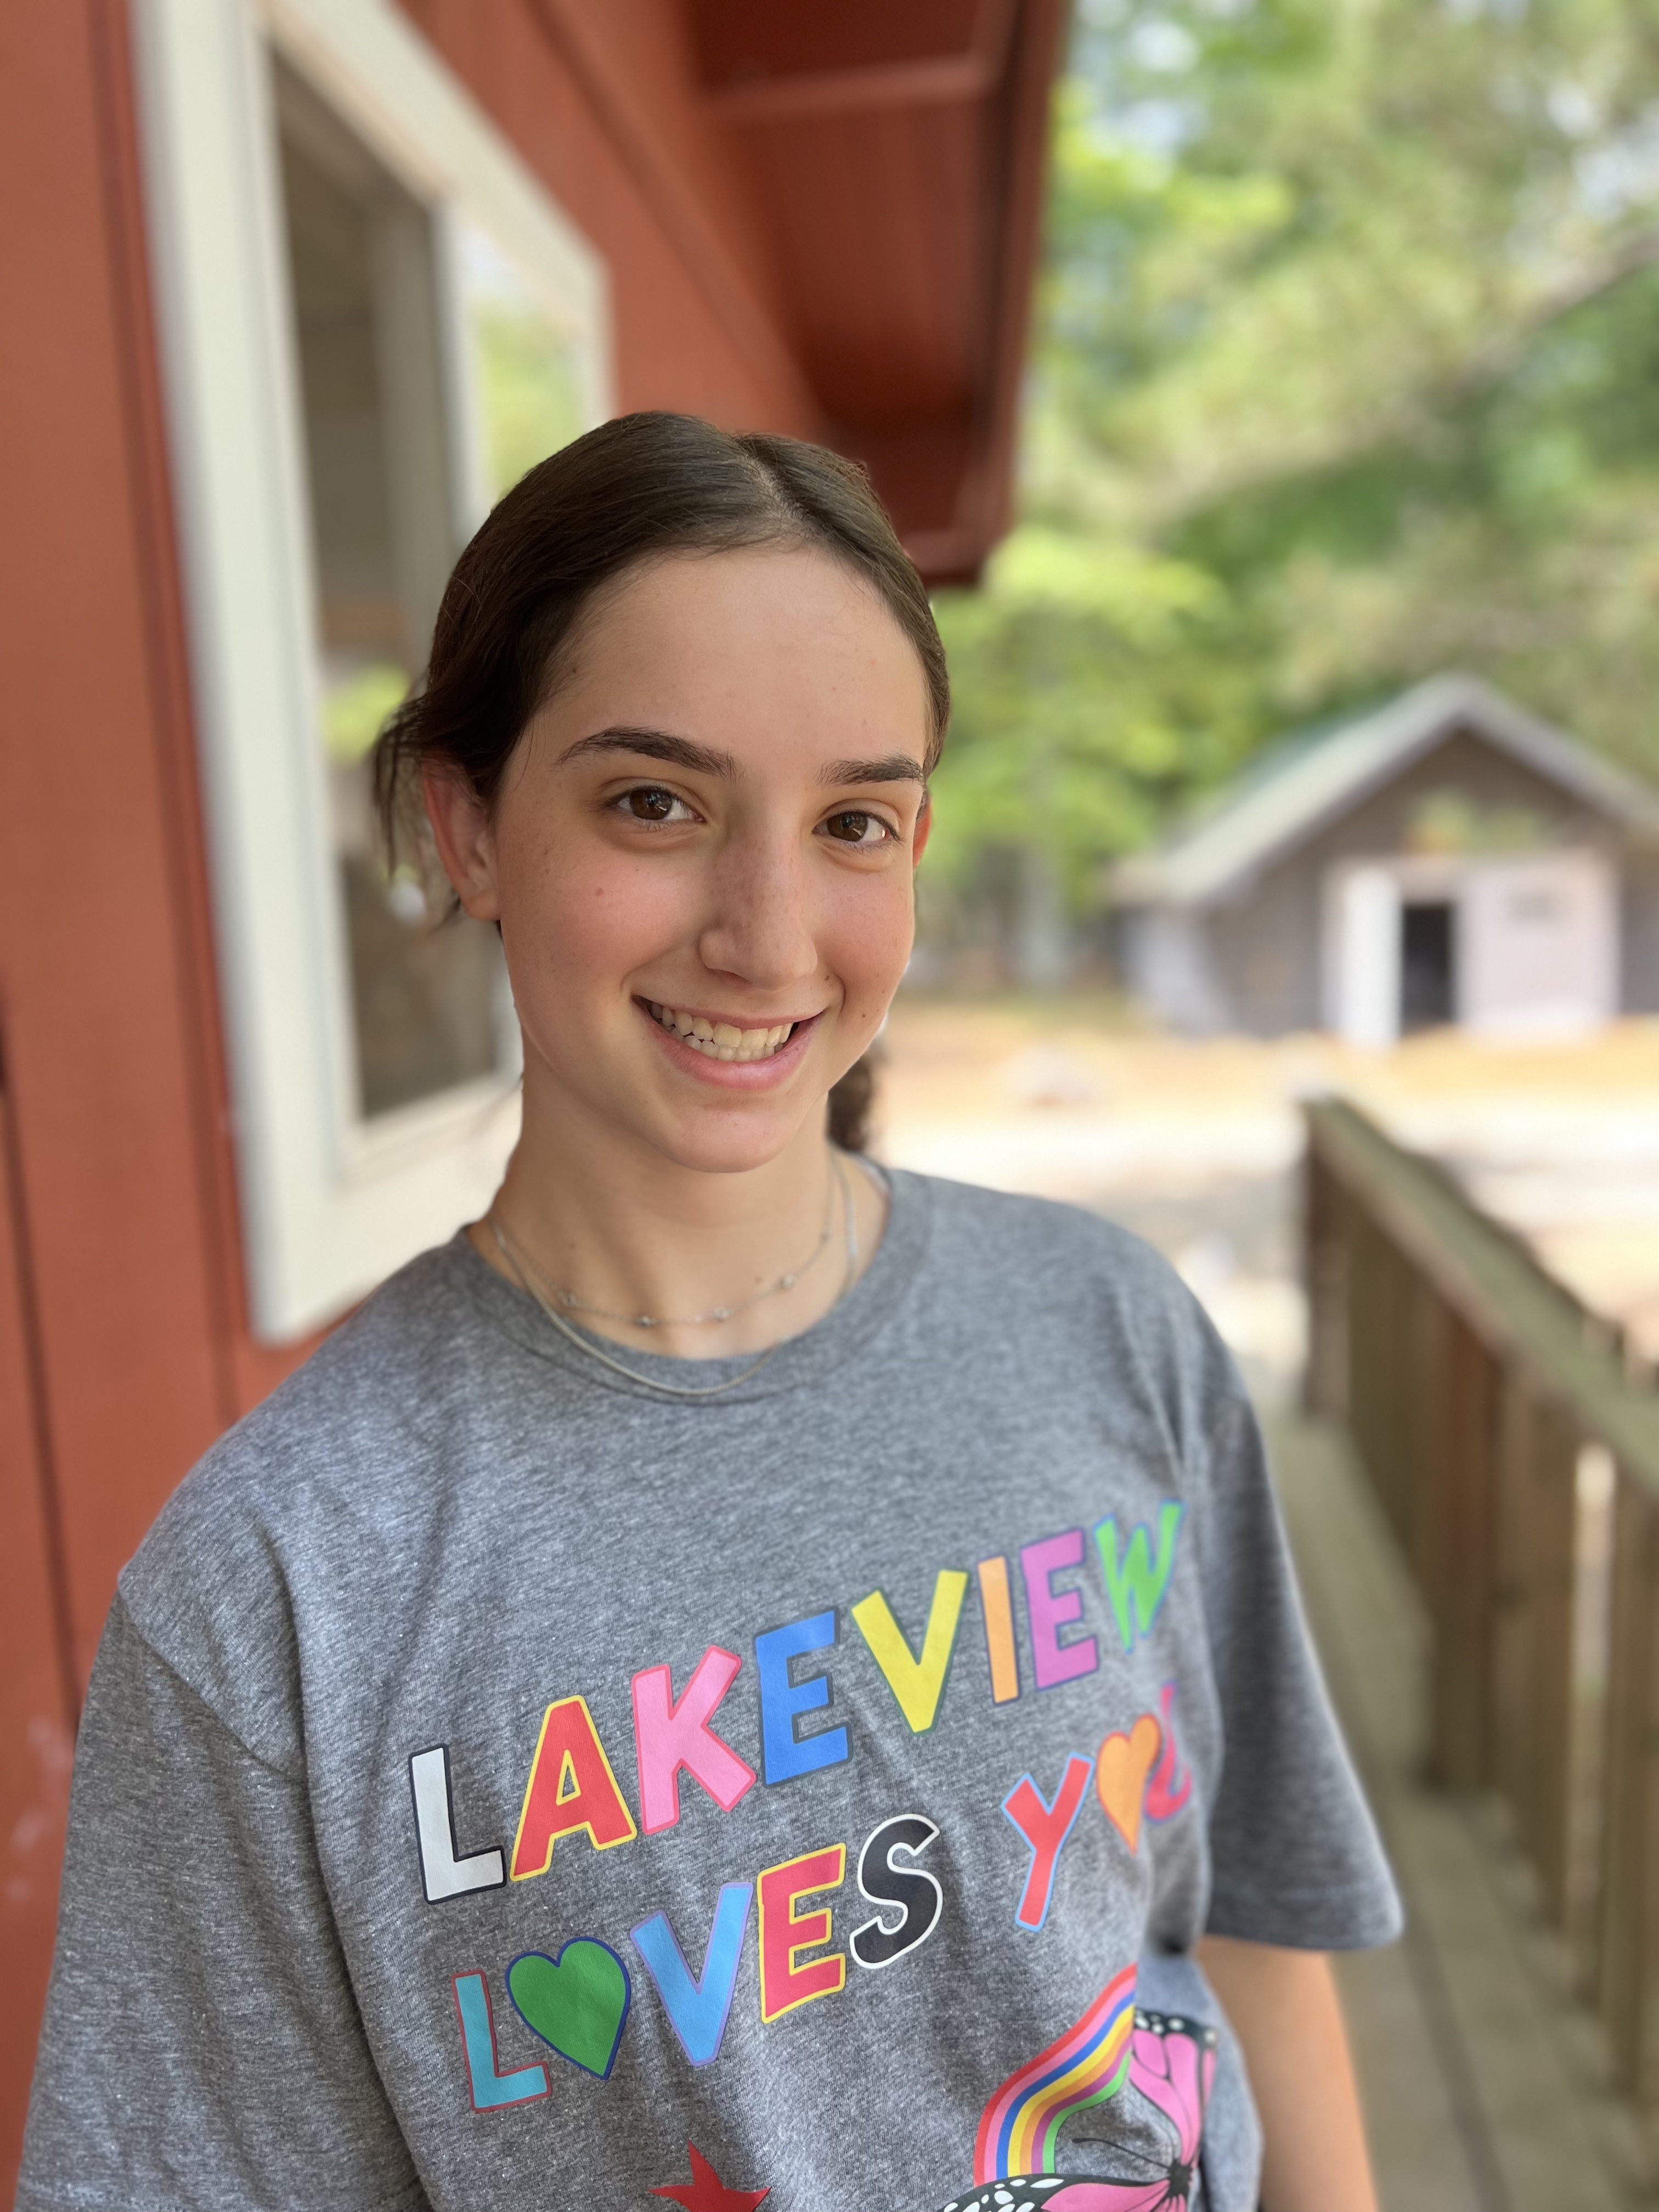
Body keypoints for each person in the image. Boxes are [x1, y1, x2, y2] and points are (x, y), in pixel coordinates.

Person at [19, 413, 1398, 2212]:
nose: (769, 933)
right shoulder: (282, 1587)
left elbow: (1256, 1932)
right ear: (465, 828)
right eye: (655, 804)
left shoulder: (1107, 1329)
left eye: (852, 823)